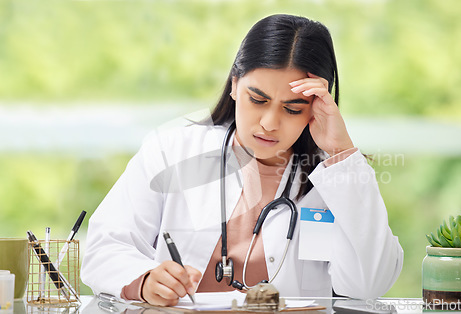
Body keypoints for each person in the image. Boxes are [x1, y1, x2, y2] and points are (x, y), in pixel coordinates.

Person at [81, 14, 403, 307]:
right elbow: (103, 248)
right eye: (257, 99)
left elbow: (369, 284)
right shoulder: (172, 149)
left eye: (293, 108)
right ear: (235, 84)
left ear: (317, 107)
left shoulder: (336, 179)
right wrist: (144, 279)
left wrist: (343, 152)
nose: (269, 123)